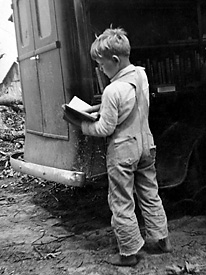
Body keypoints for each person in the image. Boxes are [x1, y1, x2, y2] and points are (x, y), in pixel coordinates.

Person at [64, 27, 172, 266]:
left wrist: (81, 124)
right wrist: (103, 109)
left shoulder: (112, 90)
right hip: (146, 145)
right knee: (150, 193)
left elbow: (105, 129)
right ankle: (161, 238)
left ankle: (129, 253)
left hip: (123, 152)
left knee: (121, 200)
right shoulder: (141, 75)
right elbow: (130, 105)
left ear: (115, 60)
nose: (101, 69)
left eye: (102, 65)